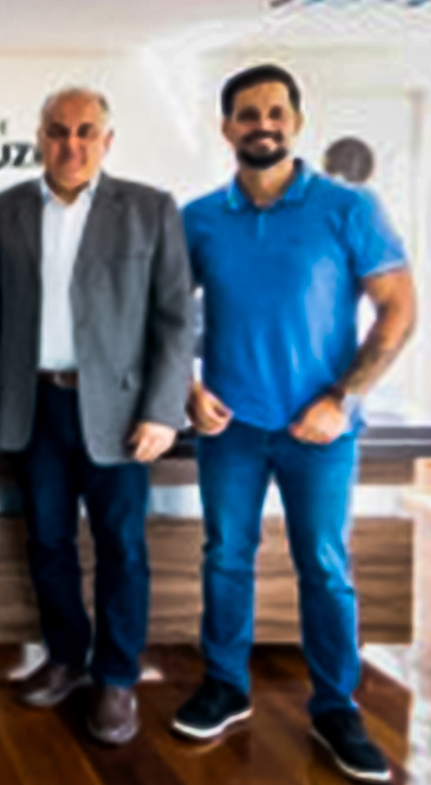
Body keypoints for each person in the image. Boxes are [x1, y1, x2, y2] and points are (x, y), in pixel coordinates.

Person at [174, 64, 414, 784]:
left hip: (321, 430)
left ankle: (336, 706)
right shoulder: (199, 219)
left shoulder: (348, 207)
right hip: (231, 428)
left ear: (297, 122)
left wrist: (342, 397)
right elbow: (163, 315)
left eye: (276, 112)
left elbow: (399, 308)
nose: (263, 125)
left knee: (325, 566)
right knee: (225, 557)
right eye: (248, 114)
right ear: (227, 128)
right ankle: (225, 685)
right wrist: (187, 388)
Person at [0, 87, 194, 745]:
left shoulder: (150, 208)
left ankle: (118, 675)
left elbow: (175, 318)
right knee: (47, 541)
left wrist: (163, 409)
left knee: (121, 547)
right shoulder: (1, 210)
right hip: (34, 407)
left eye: (85, 131)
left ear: (107, 140)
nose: (70, 143)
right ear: (39, 137)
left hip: (122, 414)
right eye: (57, 130)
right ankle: (67, 656)